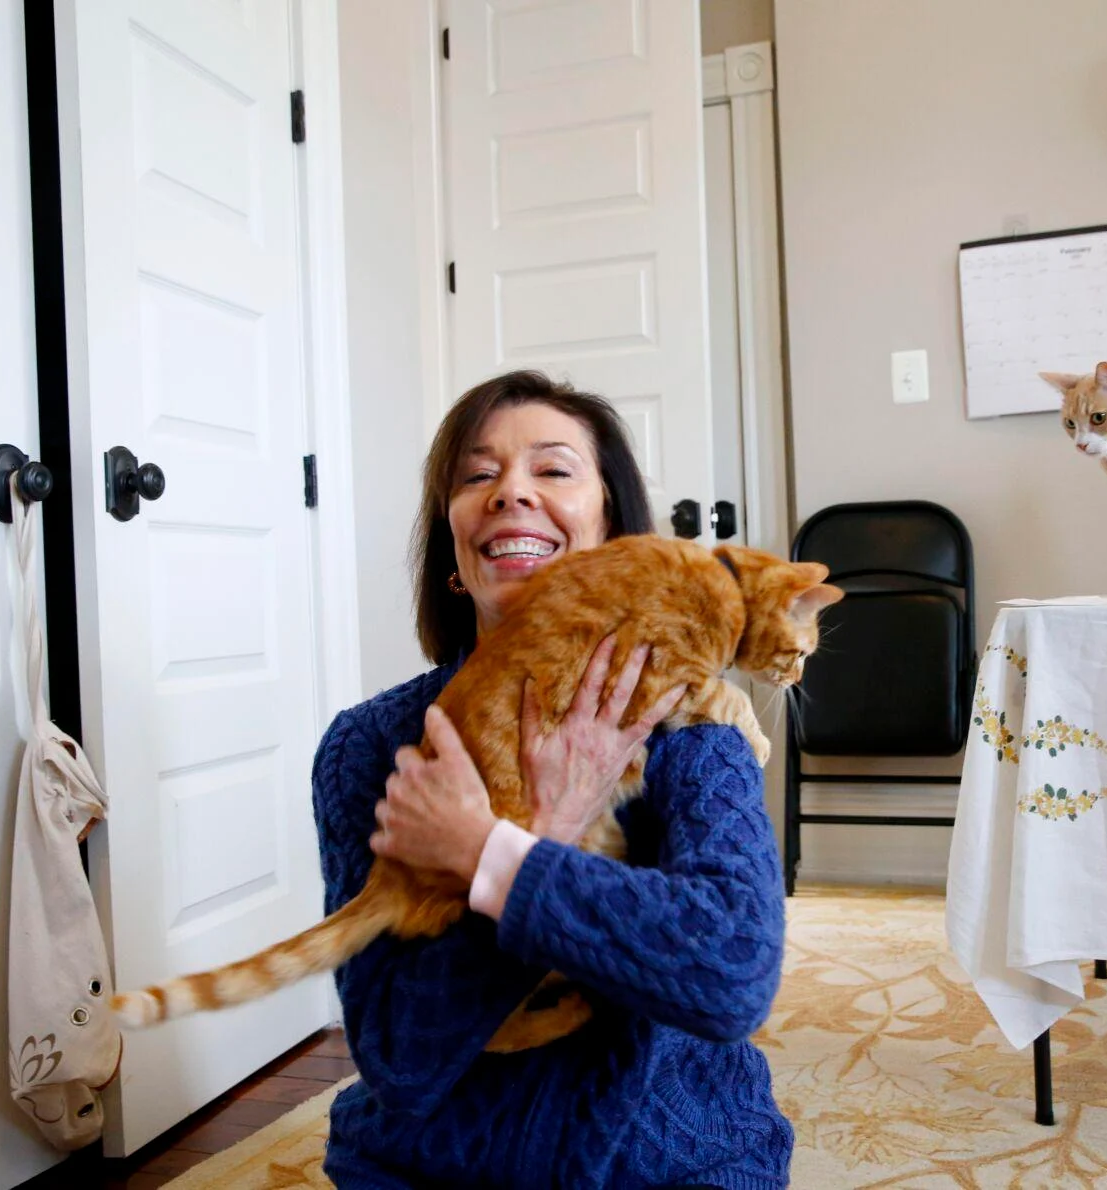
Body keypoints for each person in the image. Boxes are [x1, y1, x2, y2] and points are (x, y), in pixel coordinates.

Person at [312, 370, 794, 1188]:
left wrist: (495, 855)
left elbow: (733, 973)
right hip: (427, 1165)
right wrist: (551, 821)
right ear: (454, 551)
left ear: (615, 534)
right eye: (476, 475)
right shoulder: (372, 744)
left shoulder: (692, 720)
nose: (510, 493)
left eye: (554, 469)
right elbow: (396, 1058)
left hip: (672, 1157)